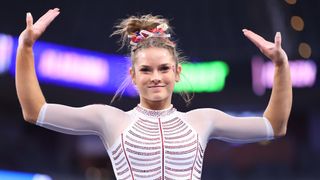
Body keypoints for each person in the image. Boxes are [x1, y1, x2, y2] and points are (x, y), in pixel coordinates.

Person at [16, 8, 292, 180]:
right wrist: (25, 48)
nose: (156, 77)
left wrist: (281, 65)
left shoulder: (203, 120)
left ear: (177, 73)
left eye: (164, 69)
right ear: (133, 76)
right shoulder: (109, 120)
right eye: (146, 70)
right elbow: (35, 111)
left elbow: (273, 126)